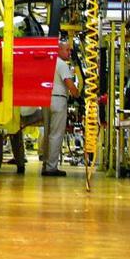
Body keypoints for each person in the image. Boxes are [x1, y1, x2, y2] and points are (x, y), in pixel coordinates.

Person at [43, 41, 79, 177]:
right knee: (56, 134)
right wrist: (78, 95)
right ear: (58, 50)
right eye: (67, 50)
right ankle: (51, 167)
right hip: (58, 100)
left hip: (46, 99)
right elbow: (70, 85)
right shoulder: (62, 64)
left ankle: (45, 165)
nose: (70, 53)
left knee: (47, 134)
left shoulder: (49, 63)